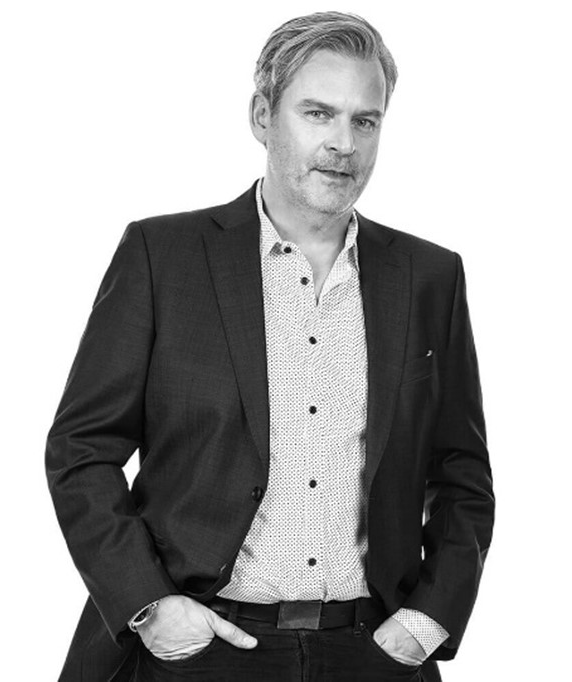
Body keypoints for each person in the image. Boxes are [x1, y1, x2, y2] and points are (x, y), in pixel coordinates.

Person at [46, 11, 494, 682]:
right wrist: (148, 604)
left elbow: (461, 472)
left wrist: (430, 617)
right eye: (318, 114)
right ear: (262, 116)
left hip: (373, 653)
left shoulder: (429, 276)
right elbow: (82, 448)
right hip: (200, 650)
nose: (343, 143)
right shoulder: (163, 256)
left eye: (365, 121)